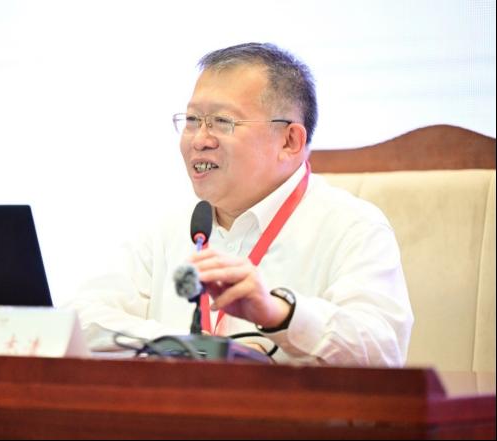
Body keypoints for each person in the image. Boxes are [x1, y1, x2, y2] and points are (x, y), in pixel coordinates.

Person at [64, 42, 413, 366]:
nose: (199, 140)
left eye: (222, 121)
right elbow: (81, 320)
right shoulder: (166, 227)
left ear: (290, 141)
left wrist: (279, 314)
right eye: (192, 121)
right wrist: (199, 350)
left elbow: (382, 350)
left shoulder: (353, 226)